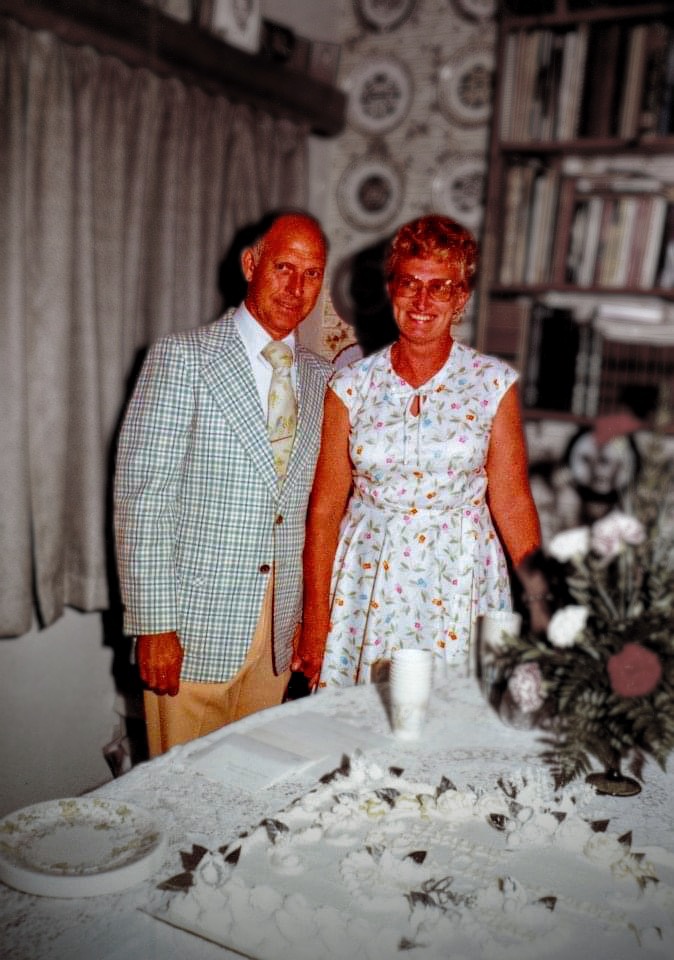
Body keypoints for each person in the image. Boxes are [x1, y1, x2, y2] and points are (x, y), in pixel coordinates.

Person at [294, 214, 550, 689]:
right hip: (367, 581)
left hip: (461, 578)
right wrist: (314, 619)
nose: (422, 301)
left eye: (441, 287)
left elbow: (513, 502)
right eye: (410, 283)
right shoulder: (349, 386)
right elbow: (326, 510)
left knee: (452, 716)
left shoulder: (492, 384)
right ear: (391, 288)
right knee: (360, 718)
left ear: (461, 297)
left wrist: (543, 604)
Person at [114, 212, 331, 755]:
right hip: (190, 630)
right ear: (251, 264)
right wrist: (153, 625)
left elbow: (311, 510)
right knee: (177, 793)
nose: (296, 287)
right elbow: (143, 499)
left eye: (311, 273)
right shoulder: (183, 358)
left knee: (249, 788)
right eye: (284, 267)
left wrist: (307, 619)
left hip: (275, 638)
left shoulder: (322, 378)